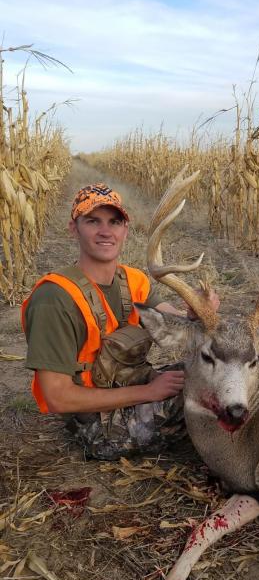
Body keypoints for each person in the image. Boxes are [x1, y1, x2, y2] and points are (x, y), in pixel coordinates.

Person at [21, 183, 218, 460]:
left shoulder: (132, 280)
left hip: (131, 389)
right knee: (214, 393)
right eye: (92, 221)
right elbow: (59, 397)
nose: (106, 231)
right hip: (98, 425)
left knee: (221, 371)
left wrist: (197, 313)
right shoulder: (55, 298)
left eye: (114, 222)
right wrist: (149, 392)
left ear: (125, 230)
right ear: (73, 228)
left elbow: (177, 324)